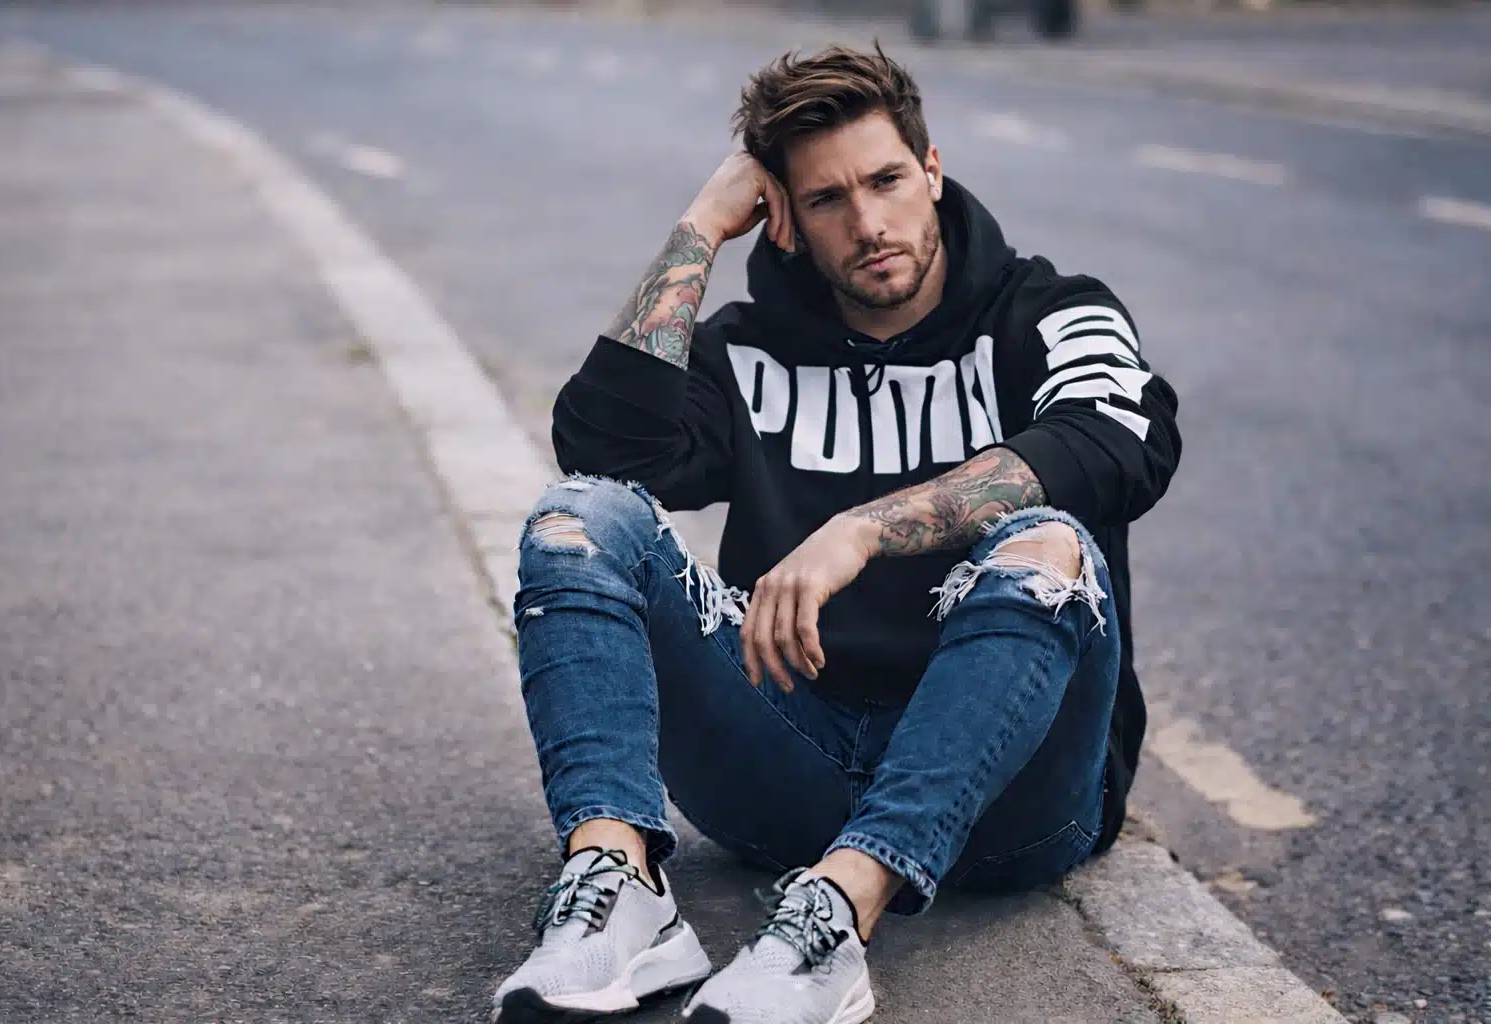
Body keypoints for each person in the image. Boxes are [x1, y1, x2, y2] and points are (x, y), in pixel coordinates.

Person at [492, 43, 1180, 1024]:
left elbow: (1111, 443)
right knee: (579, 518)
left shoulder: (1054, 313)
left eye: (886, 181)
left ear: (931, 169)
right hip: (792, 767)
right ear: (783, 215)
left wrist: (860, 531)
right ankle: (617, 882)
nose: (867, 224)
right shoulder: (746, 349)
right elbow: (604, 449)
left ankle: (835, 916)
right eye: (825, 200)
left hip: (1010, 801)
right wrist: (701, 226)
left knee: (1050, 543)